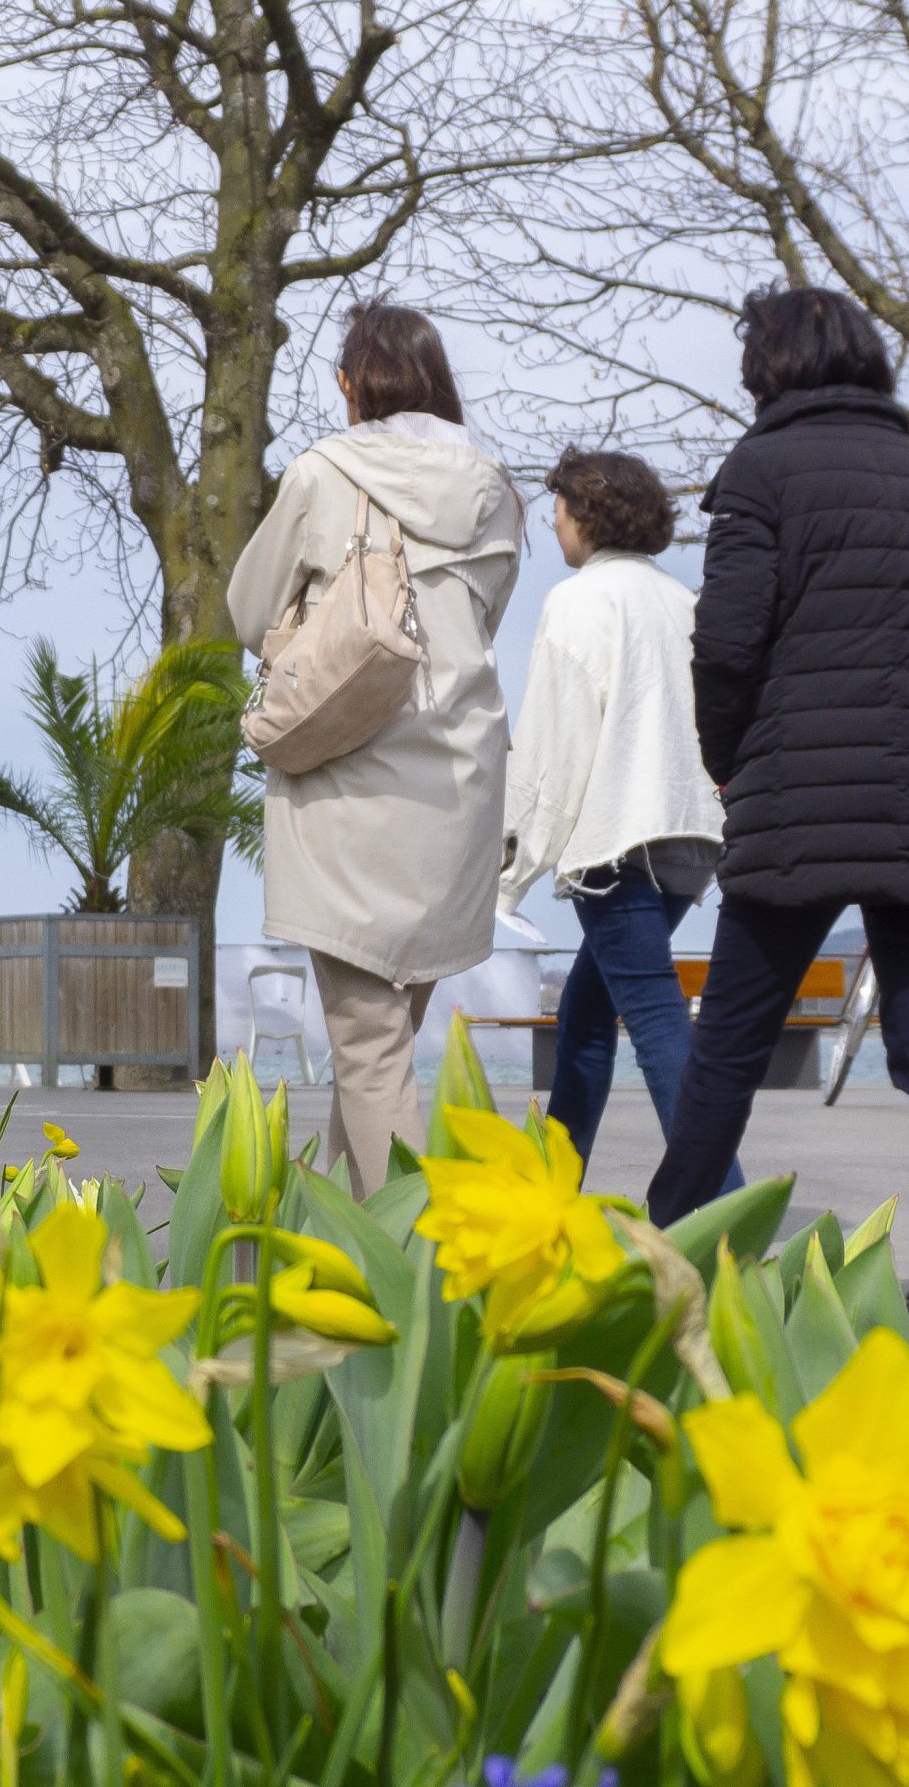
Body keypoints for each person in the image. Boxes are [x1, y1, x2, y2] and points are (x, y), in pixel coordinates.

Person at [645, 286, 909, 1337]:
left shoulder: (759, 471)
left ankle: (664, 1254)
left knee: (727, 1042)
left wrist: (727, 756)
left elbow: (725, 640)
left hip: (796, 794)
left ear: (768, 370)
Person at [228, 303, 524, 1195]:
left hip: (348, 775)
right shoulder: (495, 489)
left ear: (349, 384)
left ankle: (417, 1274)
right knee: (382, 1041)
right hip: (457, 784)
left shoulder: (323, 473)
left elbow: (248, 611)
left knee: (366, 1047)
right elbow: (486, 616)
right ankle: (337, 1242)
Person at [500, 450, 735, 1182]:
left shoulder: (577, 601)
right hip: (686, 836)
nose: (553, 520)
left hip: (616, 843)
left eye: (560, 509)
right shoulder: (680, 600)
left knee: (658, 1020)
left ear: (588, 516)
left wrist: (512, 864)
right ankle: (553, 1188)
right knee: (585, 1016)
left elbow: (553, 745)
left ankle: (727, 1213)